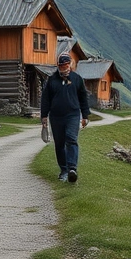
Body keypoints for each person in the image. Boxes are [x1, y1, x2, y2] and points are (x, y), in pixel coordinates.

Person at [40, 53, 91, 182]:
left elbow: (83, 98)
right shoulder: (52, 80)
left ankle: (72, 169)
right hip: (56, 116)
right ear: (58, 66)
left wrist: (85, 116)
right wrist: (44, 116)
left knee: (71, 139)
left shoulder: (77, 79)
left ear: (70, 65)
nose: (64, 68)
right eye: (61, 66)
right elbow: (45, 99)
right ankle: (64, 170)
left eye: (66, 65)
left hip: (73, 115)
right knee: (59, 143)